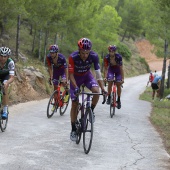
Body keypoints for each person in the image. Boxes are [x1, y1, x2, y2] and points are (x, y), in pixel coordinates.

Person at [68, 37, 107, 141]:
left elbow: (98, 74)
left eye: (87, 53)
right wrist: (76, 87)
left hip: (87, 76)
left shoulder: (94, 56)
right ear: (79, 50)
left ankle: (91, 111)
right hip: (75, 78)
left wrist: (103, 88)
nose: (85, 55)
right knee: (75, 104)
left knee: (96, 91)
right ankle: (73, 129)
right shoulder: (73, 57)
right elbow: (70, 75)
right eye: (83, 53)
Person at [0, 47, 15, 119]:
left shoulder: (10, 62)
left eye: (4, 56)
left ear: (8, 57)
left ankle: (5, 109)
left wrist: (7, 83)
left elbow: (12, 77)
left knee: (4, 87)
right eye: (1, 56)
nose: (2, 58)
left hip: (6, 76)